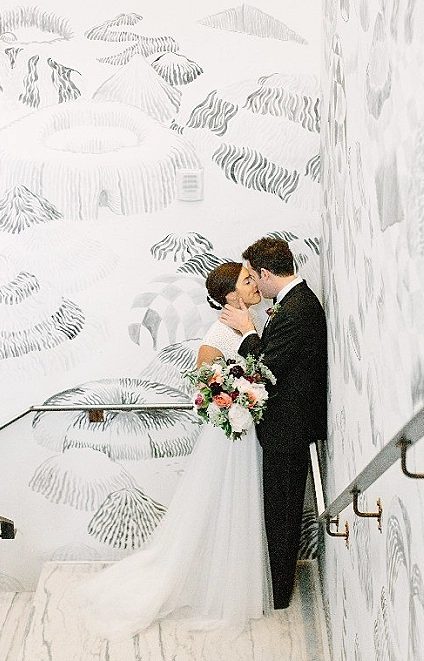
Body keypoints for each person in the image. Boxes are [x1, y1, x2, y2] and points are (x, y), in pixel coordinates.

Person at [66, 262, 273, 642]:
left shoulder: (251, 323)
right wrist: (238, 400)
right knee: (223, 504)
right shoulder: (218, 335)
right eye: (248, 281)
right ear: (231, 296)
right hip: (229, 438)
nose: (255, 284)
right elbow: (204, 392)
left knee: (238, 506)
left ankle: (233, 580)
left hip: (246, 431)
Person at [220, 237, 327, 610]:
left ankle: (279, 594)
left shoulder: (297, 310)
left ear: (266, 273)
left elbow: (265, 370)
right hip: (285, 429)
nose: (252, 283)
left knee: (281, 516)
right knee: (278, 512)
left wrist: (248, 331)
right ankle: (275, 585)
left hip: (289, 431)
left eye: (252, 276)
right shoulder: (294, 303)